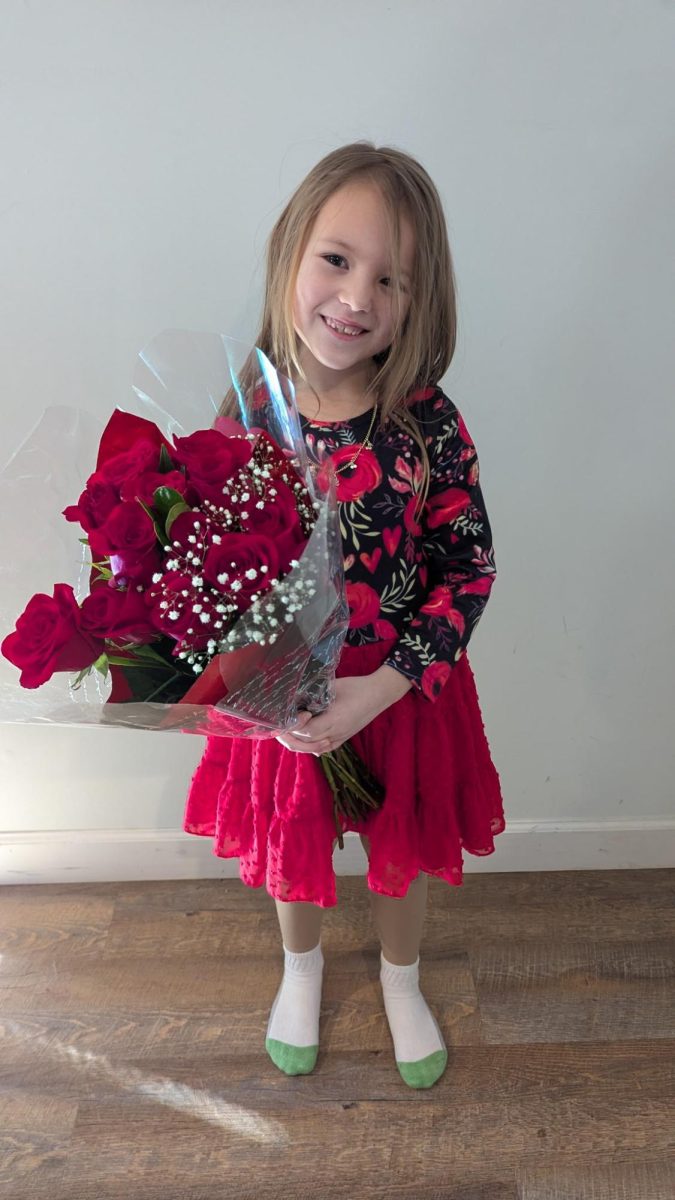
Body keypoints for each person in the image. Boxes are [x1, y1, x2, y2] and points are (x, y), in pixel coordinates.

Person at [184, 142, 504, 1089]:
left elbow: (471, 566)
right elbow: (208, 561)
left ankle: (401, 980)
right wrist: (260, 690)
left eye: (390, 279)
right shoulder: (247, 405)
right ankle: (301, 969)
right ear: (291, 252)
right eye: (337, 259)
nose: (356, 296)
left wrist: (381, 689)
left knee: (401, 844)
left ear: (418, 301)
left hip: (399, 690)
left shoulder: (425, 419)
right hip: (279, 697)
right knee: (296, 841)